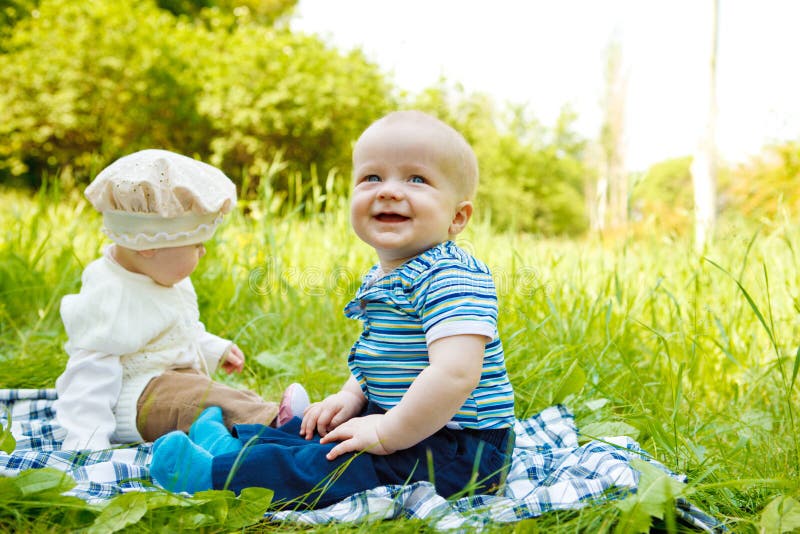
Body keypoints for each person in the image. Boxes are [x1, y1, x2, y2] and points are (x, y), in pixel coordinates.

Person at [150, 111, 516, 508]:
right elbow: (389, 357)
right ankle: (232, 447)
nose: (389, 191)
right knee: (321, 433)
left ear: (458, 217)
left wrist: (387, 432)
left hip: (460, 449)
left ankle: (215, 476)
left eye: (417, 179)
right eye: (372, 177)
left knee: (336, 464)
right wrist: (352, 396)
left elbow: (455, 373)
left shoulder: (452, 277)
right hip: (408, 417)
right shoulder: (388, 274)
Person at [54, 149, 309, 451]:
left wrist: (215, 349)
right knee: (202, 400)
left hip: (175, 386)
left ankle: (233, 440)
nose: (203, 252)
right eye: (196, 244)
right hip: (138, 399)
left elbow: (178, 332)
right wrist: (86, 442)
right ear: (148, 244)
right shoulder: (111, 295)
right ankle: (277, 425)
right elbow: (88, 374)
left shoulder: (161, 276)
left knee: (212, 397)